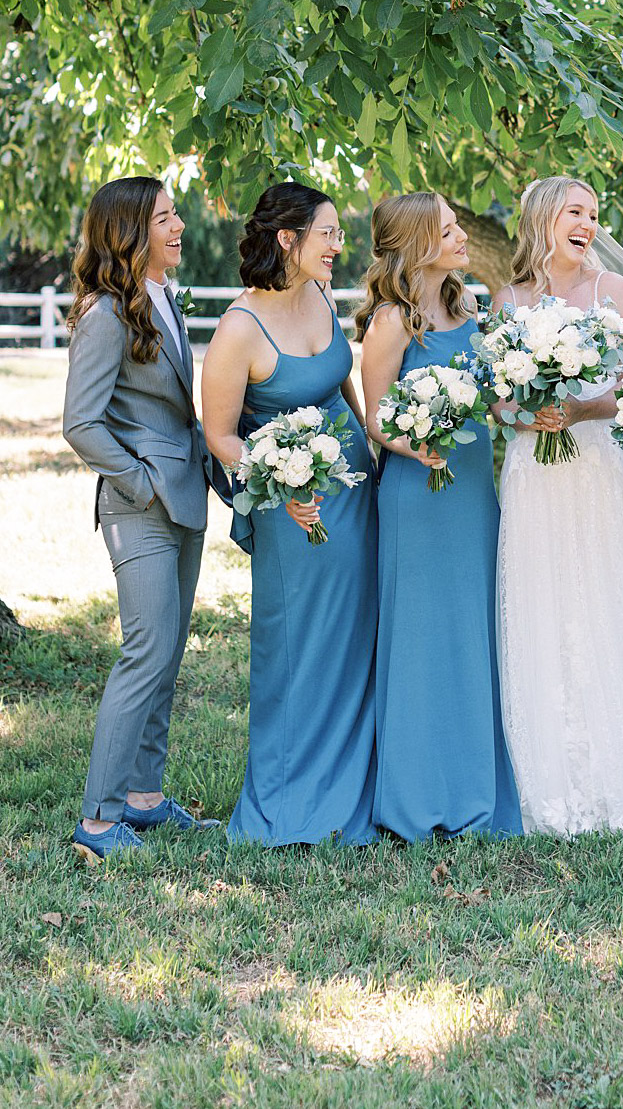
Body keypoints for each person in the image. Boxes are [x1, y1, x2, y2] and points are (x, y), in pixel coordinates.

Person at [493, 176, 623, 836]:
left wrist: (581, 407)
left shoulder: (618, 294)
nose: (587, 222)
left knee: (605, 594)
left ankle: (619, 763)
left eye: (593, 214)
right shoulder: (511, 298)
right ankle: (541, 770)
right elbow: (497, 398)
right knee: (542, 597)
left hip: (602, 460)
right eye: (575, 211)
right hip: (536, 465)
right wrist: (529, 411)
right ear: (544, 218)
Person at [201, 182, 377, 846]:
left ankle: (351, 788)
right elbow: (219, 433)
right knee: (297, 647)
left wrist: (373, 442)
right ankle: (287, 797)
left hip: (354, 495)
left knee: (355, 639)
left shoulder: (325, 297)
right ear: (288, 239)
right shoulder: (239, 327)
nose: (338, 244)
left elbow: (342, 381)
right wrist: (278, 483)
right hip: (289, 508)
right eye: (327, 232)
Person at [63, 178, 219, 861]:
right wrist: (142, 481)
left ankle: (145, 799)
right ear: (130, 231)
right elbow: (80, 422)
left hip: (186, 498)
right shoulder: (104, 314)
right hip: (141, 507)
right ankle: (97, 822)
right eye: (164, 217)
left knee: (168, 655)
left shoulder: (159, 297)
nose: (179, 225)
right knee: (144, 653)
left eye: (174, 214)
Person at [359, 192, 520, 840]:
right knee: (420, 638)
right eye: (449, 230)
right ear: (420, 242)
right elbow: (375, 416)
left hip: (472, 490)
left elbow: (494, 396)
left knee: (469, 631)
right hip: (418, 492)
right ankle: (416, 795)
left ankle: (472, 786)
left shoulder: (469, 308)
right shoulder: (392, 323)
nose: (461, 238)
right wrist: (414, 440)